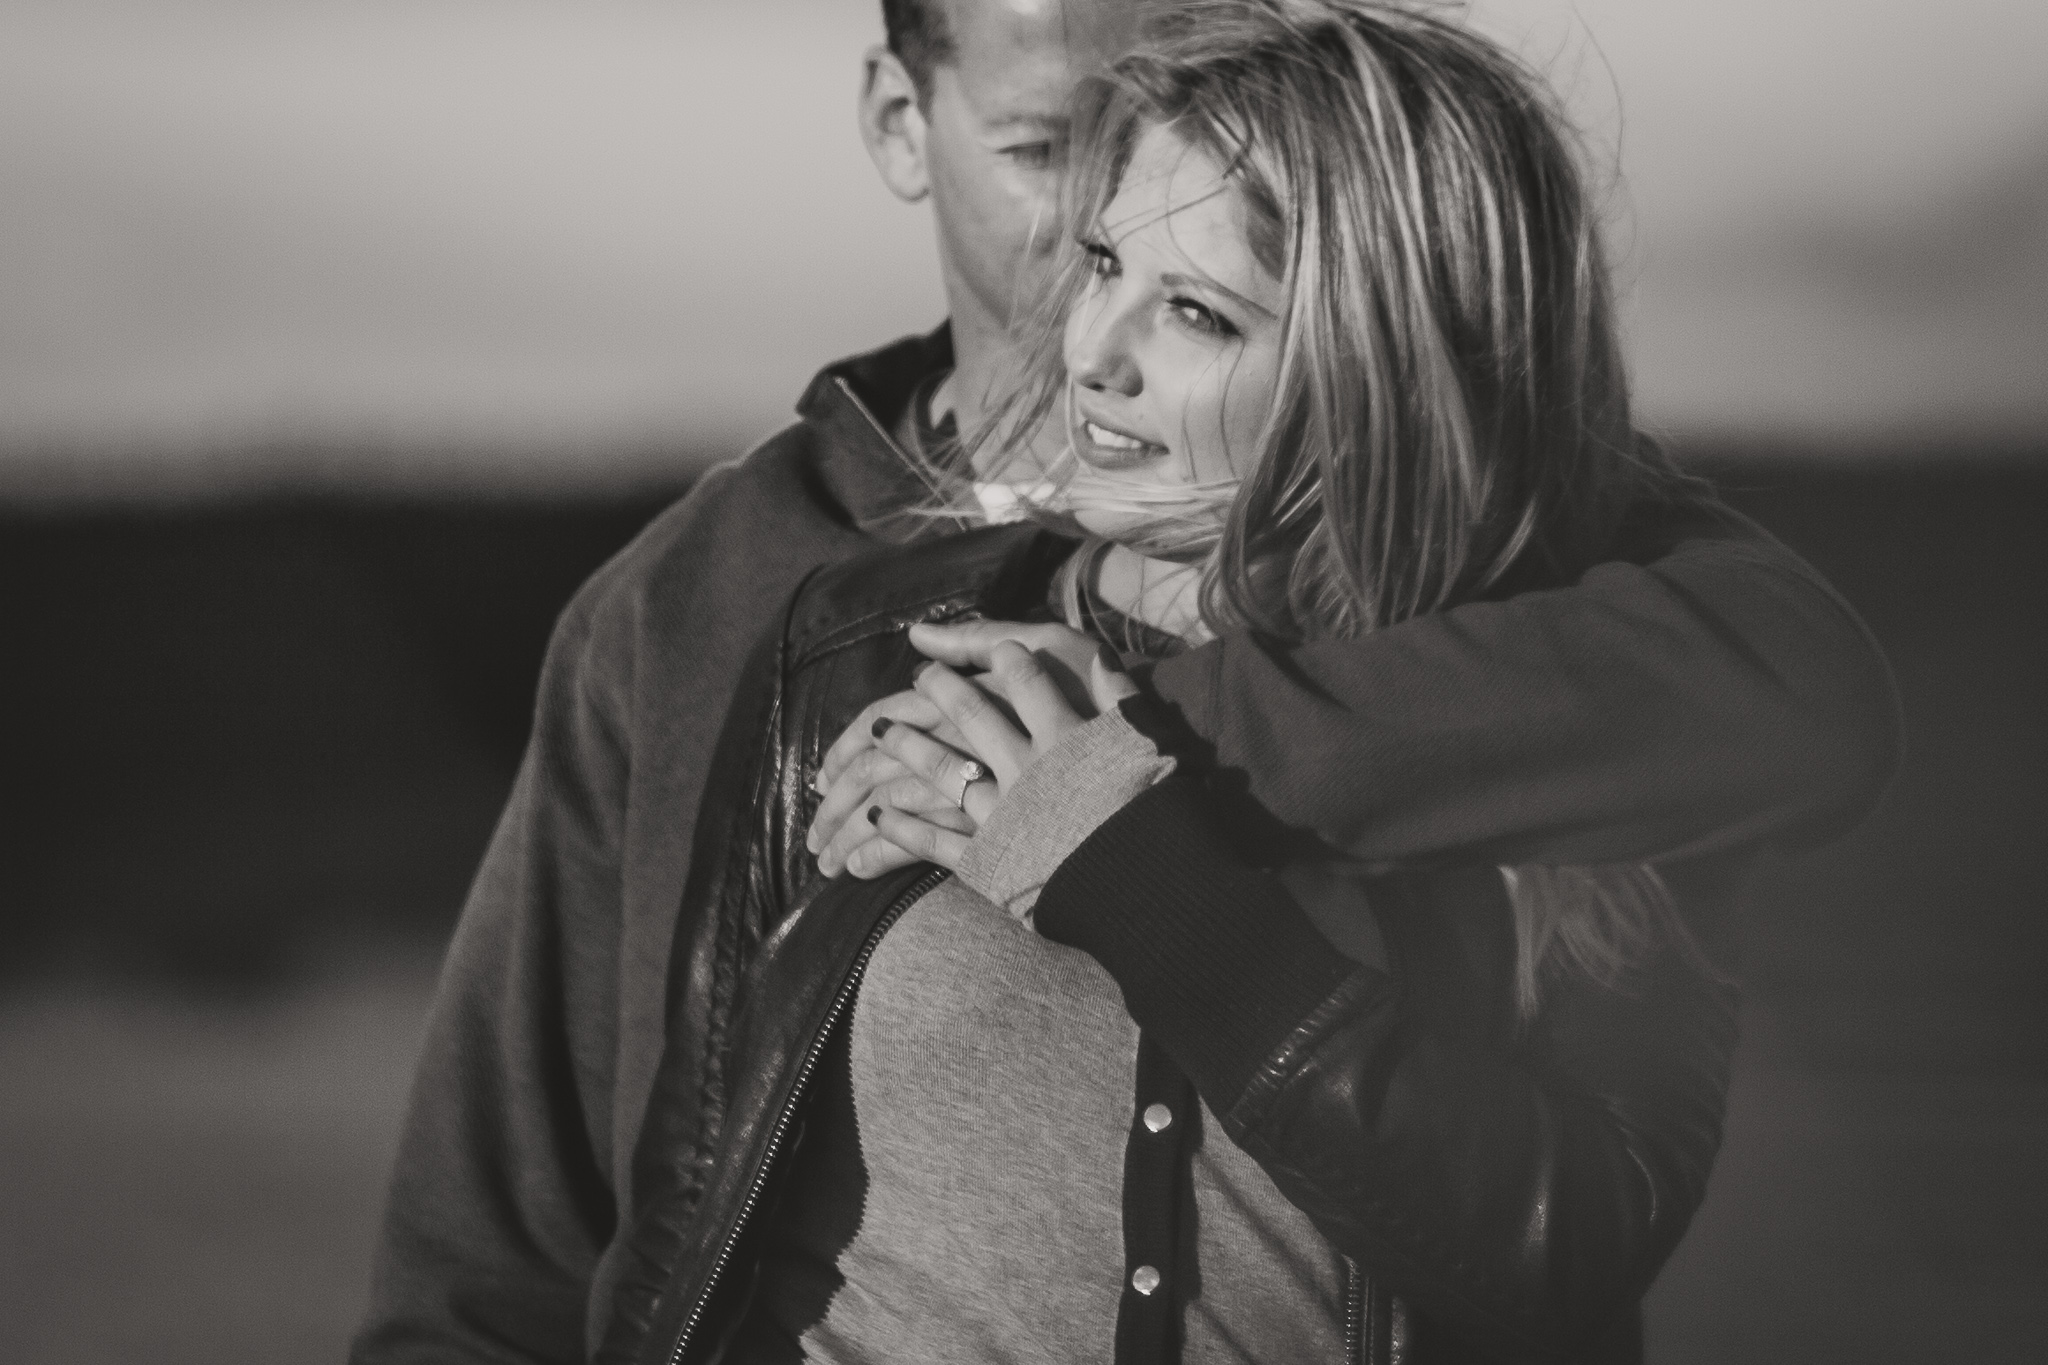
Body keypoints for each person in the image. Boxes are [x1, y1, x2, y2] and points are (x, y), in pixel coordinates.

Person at [350, 1, 1899, 1361]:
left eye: (1203, 308)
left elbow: (1802, 700)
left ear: (1377, 367)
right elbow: (501, 1267)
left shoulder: (1565, 642)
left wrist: (1125, 784)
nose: (1091, 342)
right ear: (905, 120)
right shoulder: (760, 604)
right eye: (1071, 192)